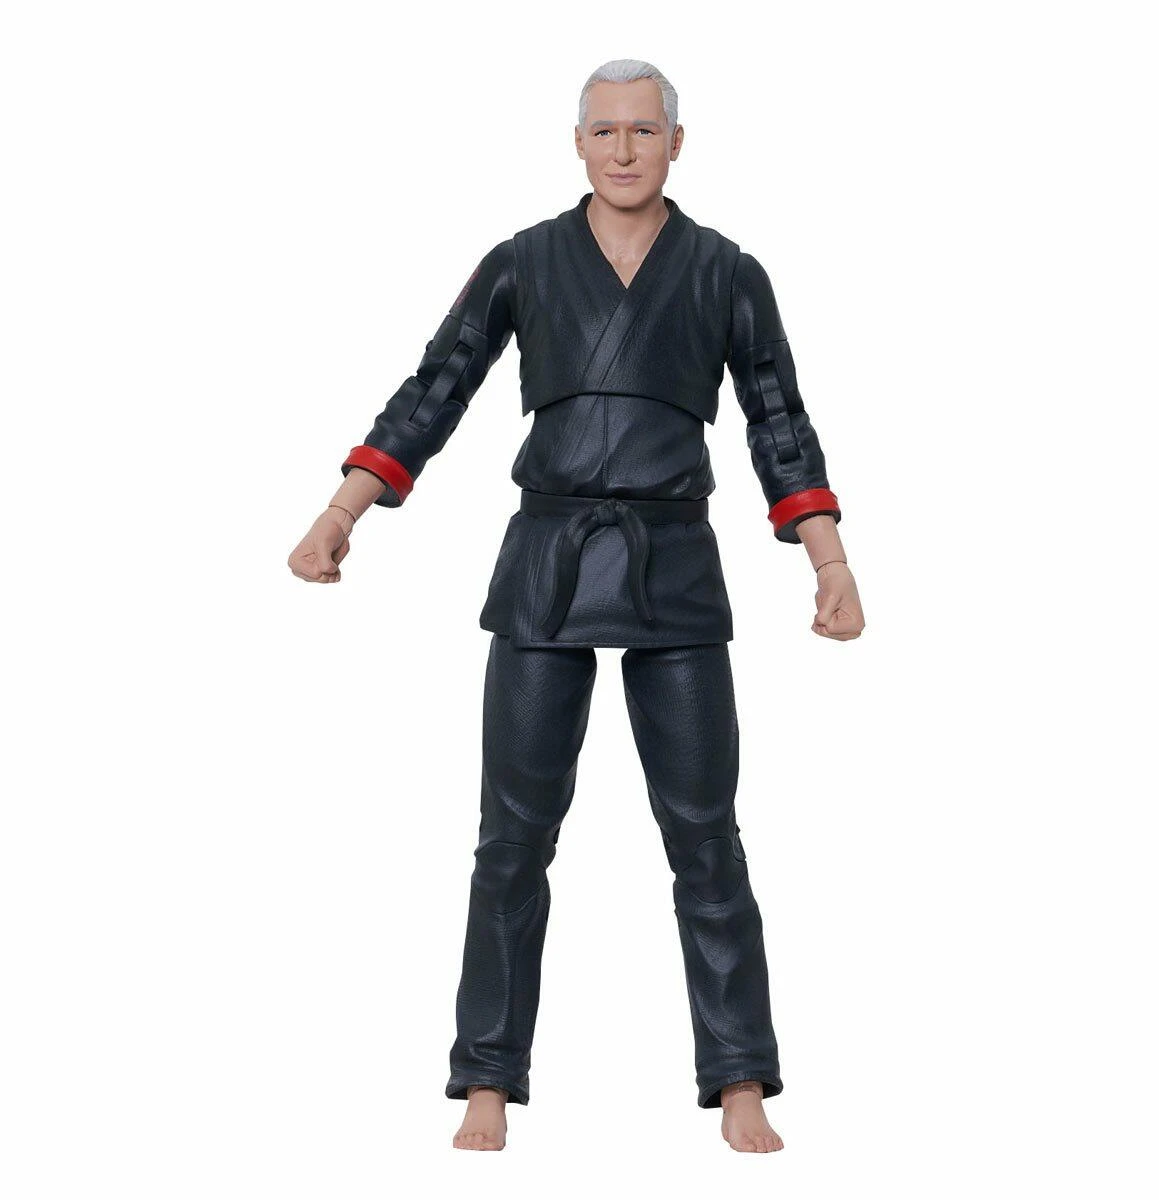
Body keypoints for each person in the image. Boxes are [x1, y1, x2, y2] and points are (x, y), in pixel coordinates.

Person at [288, 59, 865, 1154]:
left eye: (644, 130)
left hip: (675, 559)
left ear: (676, 143)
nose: (624, 149)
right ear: (578, 142)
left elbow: (778, 417)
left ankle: (741, 1074)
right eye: (605, 130)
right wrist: (342, 510)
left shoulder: (727, 271)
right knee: (511, 840)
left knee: (706, 837)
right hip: (546, 558)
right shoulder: (523, 260)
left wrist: (827, 560)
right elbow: (437, 387)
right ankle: (487, 1076)